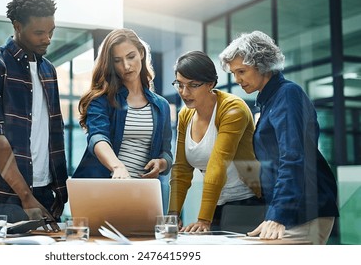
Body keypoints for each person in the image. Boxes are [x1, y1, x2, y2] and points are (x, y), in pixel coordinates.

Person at [219, 31, 339, 244]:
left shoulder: (287, 95)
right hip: (289, 209)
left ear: (262, 65)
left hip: (305, 209)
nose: (237, 79)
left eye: (242, 71)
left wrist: (278, 214)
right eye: (234, 73)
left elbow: (293, 157)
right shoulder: (269, 102)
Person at [0, 0, 68, 232]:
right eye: (39, 33)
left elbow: (53, 135)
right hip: (2, 194)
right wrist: (25, 196)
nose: (47, 39)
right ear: (17, 26)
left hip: (44, 191)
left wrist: (59, 193)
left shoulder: (48, 71)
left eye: (51, 31)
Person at [168, 51, 263, 233]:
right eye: (179, 85)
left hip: (248, 203)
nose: (184, 92)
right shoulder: (185, 114)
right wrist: (173, 215)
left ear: (210, 84)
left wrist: (203, 219)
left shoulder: (233, 109)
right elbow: (181, 169)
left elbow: (217, 163)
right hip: (218, 204)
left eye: (193, 85)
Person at [72, 28, 173, 180]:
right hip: (105, 189)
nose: (126, 66)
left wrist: (161, 163)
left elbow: (166, 152)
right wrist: (117, 166)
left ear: (141, 53)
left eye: (131, 57)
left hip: (142, 192)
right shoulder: (101, 100)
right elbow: (98, 137)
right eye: (117, 61)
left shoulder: (161, 105)